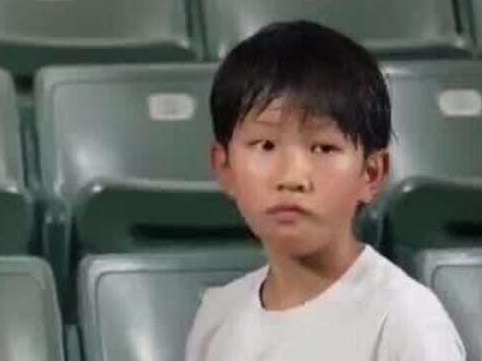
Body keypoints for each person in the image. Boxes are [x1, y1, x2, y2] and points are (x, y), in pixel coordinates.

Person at [187, 20, 467, 361]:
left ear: (370, 173)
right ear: (225, 167)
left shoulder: (404, 320)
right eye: (265, 145)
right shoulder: (218, 318)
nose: (291, 178)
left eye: (322, 148)